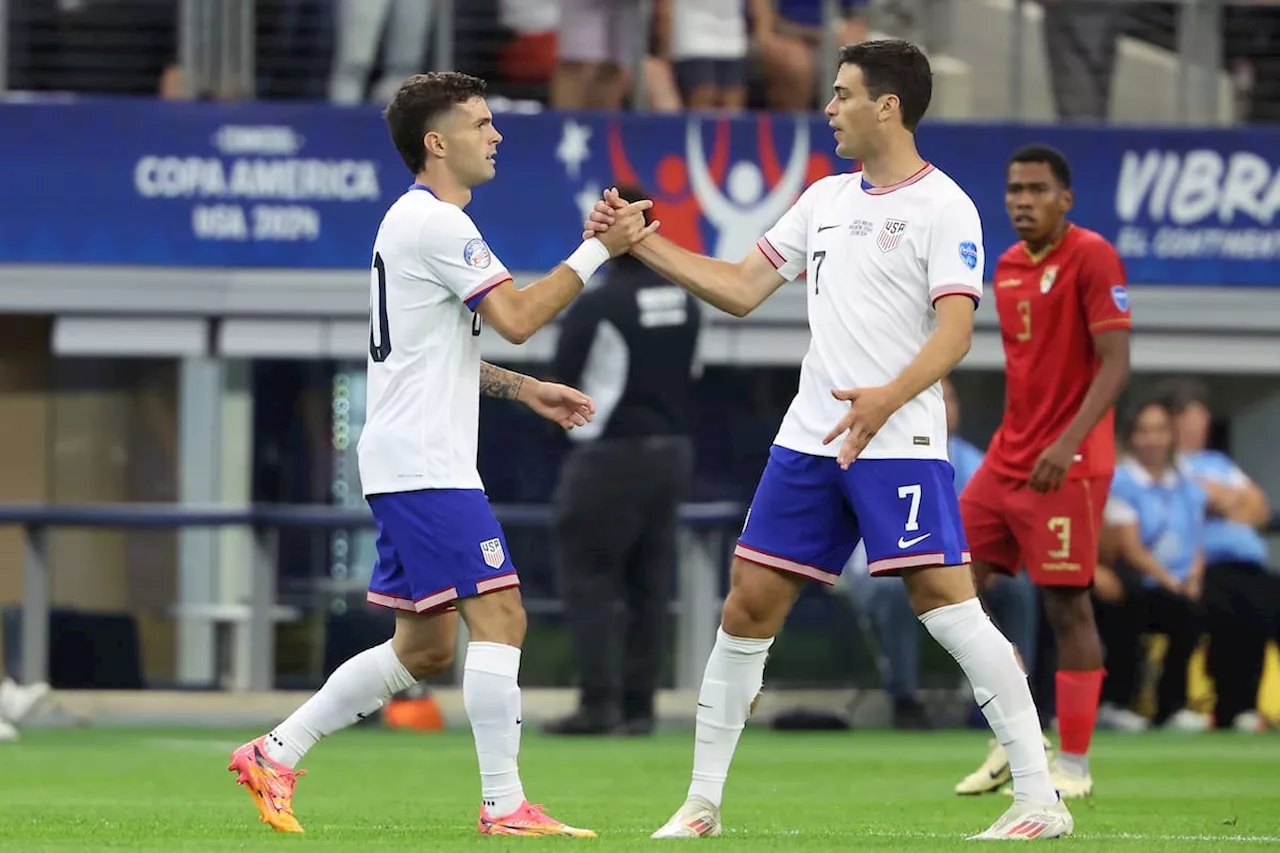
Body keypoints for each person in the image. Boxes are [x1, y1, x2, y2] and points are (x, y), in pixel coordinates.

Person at [587, 40, 1071, 841]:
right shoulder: (823, 199)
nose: (829, 109)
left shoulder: (945, 205)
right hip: (810, 437)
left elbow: (955, 334)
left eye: (842, 94)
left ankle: (1038, 798)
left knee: (946, 606)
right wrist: (640, 243)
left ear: (888, 106)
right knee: (747, 604)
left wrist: (886, 397)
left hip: (898, 436)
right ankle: (701, 804)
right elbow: (742, 288)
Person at [227, 71, 656, 837]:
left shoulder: (413, 222)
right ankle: (504, 804)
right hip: (427, 463)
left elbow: (439, 353)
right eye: (481, 123)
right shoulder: (437, 223)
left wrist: (524, 389)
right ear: (437, 142)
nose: (495, 135)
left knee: (423, 647)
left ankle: (275, 750)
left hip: (412, 456)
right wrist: (597, 250)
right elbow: (519, 315)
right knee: (504, 615)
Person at [955, 144, 1131, 801]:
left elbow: (1115, 363)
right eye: (1013, 190)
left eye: (1035, 189)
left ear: (1066, 198)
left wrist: (1069, 440)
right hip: (1008, 456)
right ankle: (1015, 728)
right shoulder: (1004, 265)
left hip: (1070, 463)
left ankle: (1076, 767)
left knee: (1066, 604)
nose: (1022, 201)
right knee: (949, 583)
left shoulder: (1092, 256)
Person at [544, 184, 702, 737]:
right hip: (672, 455)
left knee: (589, 577)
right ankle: (640, 708)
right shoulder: (685, 301)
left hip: (609, 457)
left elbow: (561, 377)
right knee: (650, 583)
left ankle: (599, 704)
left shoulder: (600, 303)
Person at [1158, 378, 1276, 732]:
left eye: (1202, 417)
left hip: (1248, 565)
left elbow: (1259, 509)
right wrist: (1229, 501)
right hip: (1203, 567)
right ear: (1174, 420)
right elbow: (1210, 501)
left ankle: (1245, 706)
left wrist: (1225, 502)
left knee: (1261, 608)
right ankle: (1217, 706)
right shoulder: (1168, 464)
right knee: (1221, 607)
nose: (1200, 424)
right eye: (1192, 416)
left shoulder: (1218, 462)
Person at [1099, 399, 1207, 729]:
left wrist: (1193, 578)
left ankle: (1173, 707)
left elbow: (1196, 539)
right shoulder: (1122, 481)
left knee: (1203, 608)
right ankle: (1115, 704)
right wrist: (1171, 581)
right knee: (1128, 604)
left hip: (1177, 581)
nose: (1153, 439)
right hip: (1137, 578)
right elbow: (1131, 548)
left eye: (1160, 430)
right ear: (1132, 437)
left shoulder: (1186, 483)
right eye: (1144, 431)